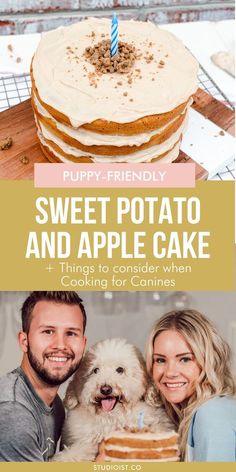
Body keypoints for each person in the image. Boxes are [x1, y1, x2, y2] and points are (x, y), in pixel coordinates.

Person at [0, 291, 87, 462]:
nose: (61, 345)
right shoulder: (13, 412)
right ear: (24, 341)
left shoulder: (56, 407)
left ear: (83, 344)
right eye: (48, 331)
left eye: (71, 333)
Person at [146, 309, 236, 462]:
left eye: (185, 359)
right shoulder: (191, 412)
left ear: (208, 360)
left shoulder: (212, 413)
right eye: (161, 360)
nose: (170, 372)